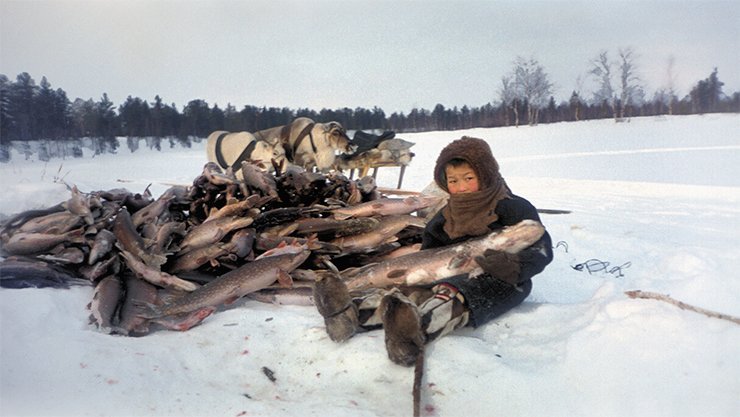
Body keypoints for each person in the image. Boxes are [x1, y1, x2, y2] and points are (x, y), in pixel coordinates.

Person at [313, 136, 553, 366]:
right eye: (453, 181)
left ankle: (416, 331)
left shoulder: (513, 208)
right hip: (447, 274)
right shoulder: (443, 218)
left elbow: (542, 249)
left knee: (469, 288)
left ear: (486, 175)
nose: (461, 187)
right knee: (412, 289)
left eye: (469, 178)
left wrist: (512, 266)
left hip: (505, 280)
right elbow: (428, 254)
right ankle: (352, 314)